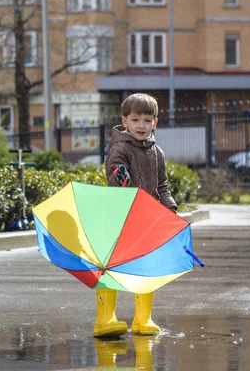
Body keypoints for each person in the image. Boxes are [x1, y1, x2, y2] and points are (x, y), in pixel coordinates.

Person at [94, 93, 177, 338]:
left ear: (155, 122)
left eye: (147, 120)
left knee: (146, 267)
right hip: (122, 216)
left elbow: (162, 185)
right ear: (125, 121)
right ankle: (105, 318)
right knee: (111, 266)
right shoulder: (119, 148)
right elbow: (117, 177)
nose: (141, 125)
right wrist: (133, 199)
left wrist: (169, 208)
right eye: (136, 119)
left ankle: (143, 319)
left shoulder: (156, 152)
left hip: (148, 219)